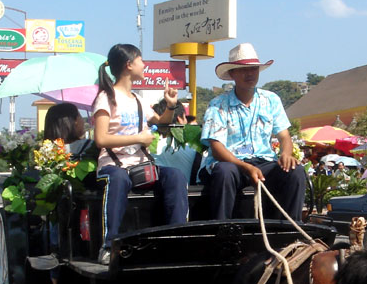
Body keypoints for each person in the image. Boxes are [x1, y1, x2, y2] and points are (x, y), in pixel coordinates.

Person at [93, 43, 188, 265]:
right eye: (141, 60)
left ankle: (177, 239)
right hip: (112, 167)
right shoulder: (106, 98)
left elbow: (162, 123)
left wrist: (171, 106)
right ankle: (108, 246)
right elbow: (101, 139)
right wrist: (138, 138)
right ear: (129, 65)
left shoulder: (137, 99)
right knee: (118, 178)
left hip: (140, 167)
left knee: (175, 176)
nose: (144, 65)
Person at [200, 43, 305, 220]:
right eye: (243, 70)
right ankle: (223, 230)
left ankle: (290, 231)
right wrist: (246, 167)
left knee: (296, 171)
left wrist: (286, 154)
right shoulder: (218, 104)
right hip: (232, 163)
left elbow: (284, 136)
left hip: (263, 162)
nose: (250, 74)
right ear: (232, 74)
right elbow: (217, 148)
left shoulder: (271, 99)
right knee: (225, 172)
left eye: (254, 69)